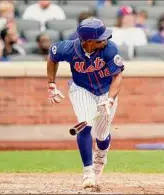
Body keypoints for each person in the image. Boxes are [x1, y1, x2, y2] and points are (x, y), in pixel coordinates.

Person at [47, 18, 124, 189]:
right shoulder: (68, 48)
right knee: (85, 124)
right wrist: (51, 84)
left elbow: (118, 76)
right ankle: (88, 171)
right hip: (81, 89)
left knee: (102, 134)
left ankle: (101, 155)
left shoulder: (110, 49)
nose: (105, 40)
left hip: (106, 92)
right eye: (101, 38)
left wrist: (110, 99)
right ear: (89, 41)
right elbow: (52, 57)